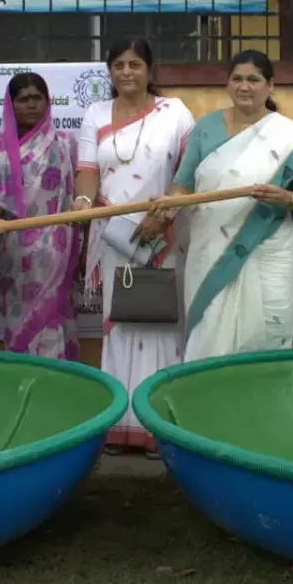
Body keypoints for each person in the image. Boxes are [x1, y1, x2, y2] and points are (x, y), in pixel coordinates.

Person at [161, 50, 293, 360]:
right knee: (210, 330)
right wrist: (168, 205)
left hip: (268, 250)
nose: (244, 86)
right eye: (237, 79)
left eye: (254, 79)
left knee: (266, 335)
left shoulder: (287, 136)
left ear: (270, 86)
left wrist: (286, 197)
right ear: (227, 84)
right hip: (211, 252)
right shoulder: (206, 128)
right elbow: (182, 185)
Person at [74, 39, 195, 456]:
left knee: (159, 322)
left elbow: (189, 170)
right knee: (121, 320)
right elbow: (87, 171)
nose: (127, 72)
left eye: (135, 64)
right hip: (114, 235)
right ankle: (120, 423)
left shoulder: (174, 113)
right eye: (119, 64)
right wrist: (83, 204)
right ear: (109, 70)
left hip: (162, 233)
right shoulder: (95, 114)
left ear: (150, 68)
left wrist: (161, 218)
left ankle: (156, 424)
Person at [0, 71, 82, 361]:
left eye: (38, 98)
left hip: (57, 250)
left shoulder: (65, 143)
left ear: (47, 102)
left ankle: (60, 382)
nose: (31, 105)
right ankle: (26, 378)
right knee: (20, 316)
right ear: (11, 105)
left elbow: (77, 192)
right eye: (23, 99)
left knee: (55, 315)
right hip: (14, 251)